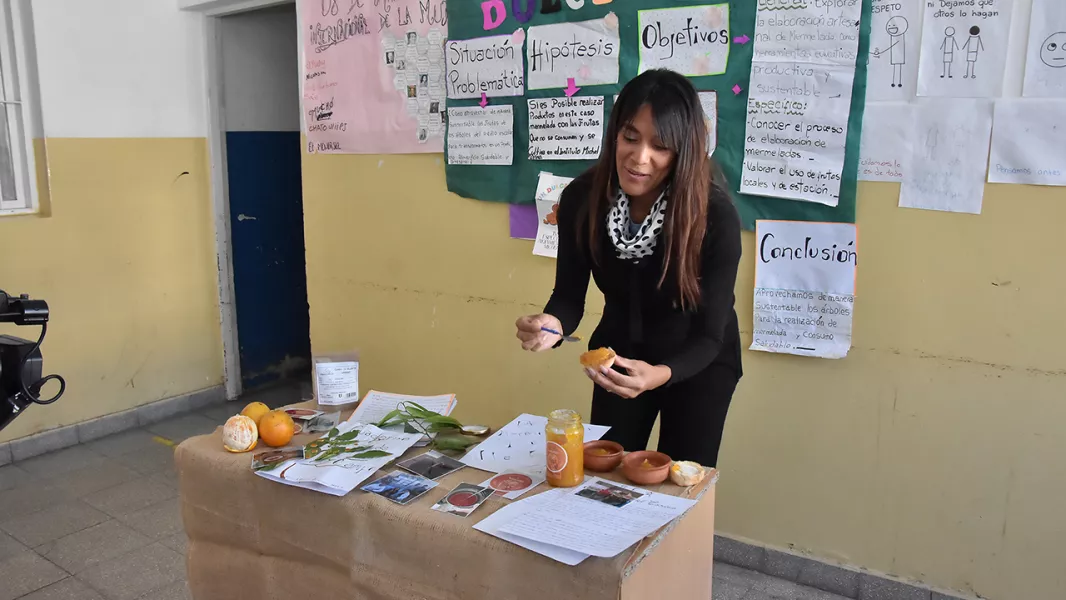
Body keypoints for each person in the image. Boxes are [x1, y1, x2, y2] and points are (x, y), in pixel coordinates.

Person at [515, 69, 742, 467]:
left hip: (698, 361)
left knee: (678, 483)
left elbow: (711, 335)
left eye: (661, 145)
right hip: (617, 358)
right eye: (630, 137)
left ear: (683, 151)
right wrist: (552, 325)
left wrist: (657, 374)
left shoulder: (713, 216)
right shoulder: (582, 199)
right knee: (607, 477)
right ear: (615, 133)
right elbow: (569, 296)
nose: (640, 158)